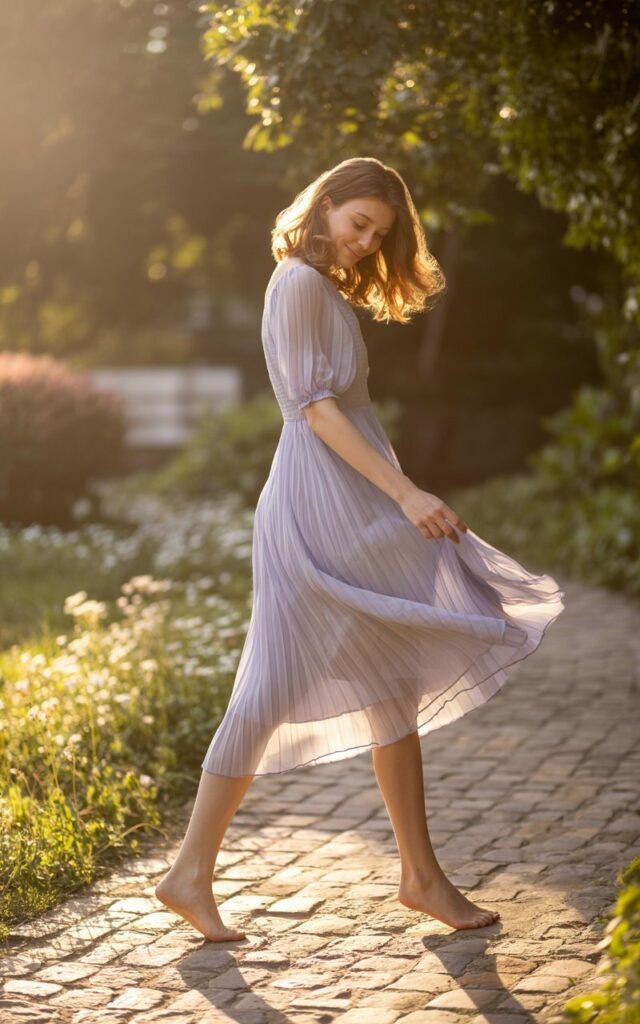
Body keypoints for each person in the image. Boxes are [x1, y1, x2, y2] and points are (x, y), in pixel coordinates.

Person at [155, 156, 565, 941]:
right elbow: (314, 409)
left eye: (379, 235)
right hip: (319, 504)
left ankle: (421, 876)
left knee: (392, 680)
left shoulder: (324, 289)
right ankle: (189, 872)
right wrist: (405, 493)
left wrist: (396, 491)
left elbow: (343, 410)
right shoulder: (300, 283)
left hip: (347, 496)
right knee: (271, 688)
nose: (366, 244)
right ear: (325, 205)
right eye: (358, 226)